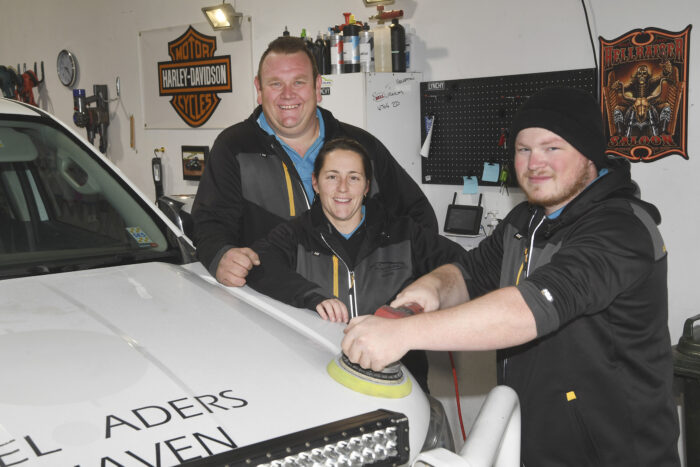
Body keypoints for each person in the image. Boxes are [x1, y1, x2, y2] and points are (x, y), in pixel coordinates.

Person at [341, 87, 680, 466]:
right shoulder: (526, 221)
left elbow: (529, 310)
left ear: (589, 154)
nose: (535, 163)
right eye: (523, 149)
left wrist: (403, 334)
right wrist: (429, 289)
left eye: (552, 148)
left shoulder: (621, 229)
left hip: (616, 454)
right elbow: (468, 274)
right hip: (537, 444)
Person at [191, 36, 437, 287]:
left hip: (359, 306)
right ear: (259, 89)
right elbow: (209, 223)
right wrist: (220, 255)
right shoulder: (233, 147)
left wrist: (406, 280)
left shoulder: (362, 146)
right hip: (275, 300)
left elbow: (417, 214)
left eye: (299, 82)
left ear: (318, 87)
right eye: (276, 83)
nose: (288, 95)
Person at [245, 138, 466, 392]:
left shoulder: (405, 233)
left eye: (353, 178)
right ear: (315, 183)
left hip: (401, 381)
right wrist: (310, 296)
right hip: (319, 379)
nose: (342, 188)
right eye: (331, 177)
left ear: (366, 187)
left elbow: (465, 267)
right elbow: (257, 264)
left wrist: (420, 299)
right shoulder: (294, 235)